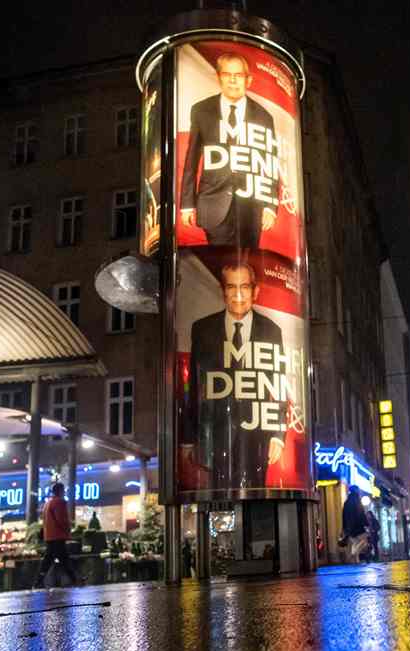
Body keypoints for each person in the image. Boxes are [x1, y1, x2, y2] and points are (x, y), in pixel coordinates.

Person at [189, 262, 286, 492]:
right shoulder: (202, 329)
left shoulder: (272, 331)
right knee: (216, 497)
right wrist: (189, 437)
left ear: (255, 291)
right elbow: (194, 386)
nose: (239, 295)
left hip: (257, 436)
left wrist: (278, 434)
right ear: (223, 291)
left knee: (257, 497)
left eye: (244, 286)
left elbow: (279, 384)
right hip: (215, 435)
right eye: (232, 287)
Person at [180, 52, 278, 248]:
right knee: (219, 266)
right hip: (213, 203)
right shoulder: (201, 110)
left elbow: (270, 162)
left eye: (239, 75)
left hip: (251, 206)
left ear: (248, 80)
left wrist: (270, 205)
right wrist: (187, 204)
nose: (233, 81)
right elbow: (191, 159)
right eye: (227, 74)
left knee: (249, 264)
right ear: (219, 78)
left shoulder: (264, 116)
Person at [33, 482, 79, 588]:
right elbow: (61, 520)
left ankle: (38, 581)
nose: (64, 492)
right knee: (63, 559)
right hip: (58, 535)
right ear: (60, 491)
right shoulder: (60, 502)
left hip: (49, 536)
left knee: (50, 560)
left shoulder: (47, 503)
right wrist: (68, 531)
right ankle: (74, 579)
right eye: (63, 490)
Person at [341, 486, 370, 563]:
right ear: (356, 491)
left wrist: (344, 527)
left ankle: (356, 560)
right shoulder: (357, 501)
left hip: (349, 528)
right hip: (358, 526)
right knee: (364, 541)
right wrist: (366, 523)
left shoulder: (346, 502)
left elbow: (343, 515)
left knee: (355, 543)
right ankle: (354, 553)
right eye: (358, 490)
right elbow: (361, 513)